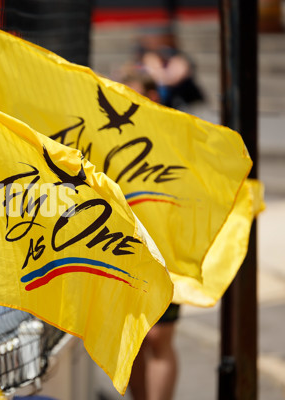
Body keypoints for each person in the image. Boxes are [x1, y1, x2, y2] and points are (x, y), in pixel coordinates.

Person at [120, 68, 181, 400]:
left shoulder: (171, 132)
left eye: (131, 96)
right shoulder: (108, 137)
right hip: (122, 249)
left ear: (152, 97)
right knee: (134, 336)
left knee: (159, 337)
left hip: (165, 248)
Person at [133, 26, 204, 110]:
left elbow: (172, 79)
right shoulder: (150, 57)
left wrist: (162, 75)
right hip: (161, 94)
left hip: (183, 98)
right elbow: (156, 77)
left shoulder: (179, 59)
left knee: (164, 90)